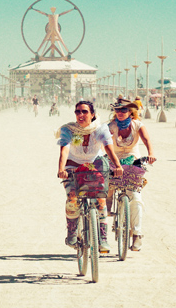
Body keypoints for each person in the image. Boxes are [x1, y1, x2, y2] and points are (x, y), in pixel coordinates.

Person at [56, 100, 123, 253]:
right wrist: (61, 169)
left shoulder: (100, 129)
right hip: (73, 166)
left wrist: (118, 166)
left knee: (100, 199)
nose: (81, 114)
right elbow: (64, 150)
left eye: (85, 111)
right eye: (77, 111)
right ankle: (72, 231)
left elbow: (109, 149)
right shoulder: (69, 129)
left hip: (95, 164)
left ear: (92, 114)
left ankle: (102, 238)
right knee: (72, 197)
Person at [107, 100, 156, 251]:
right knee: (106, 184)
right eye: (117, 110)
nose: (120, 113)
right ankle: (108, 202)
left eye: (124, 110)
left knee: (135, 197)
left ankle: (137, 234)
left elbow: (146, 140)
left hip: (133, 159)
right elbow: (103, 141)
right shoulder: (111, 126)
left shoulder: (137, 125)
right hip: (114, 159)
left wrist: (151, 154)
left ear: (130, 112)